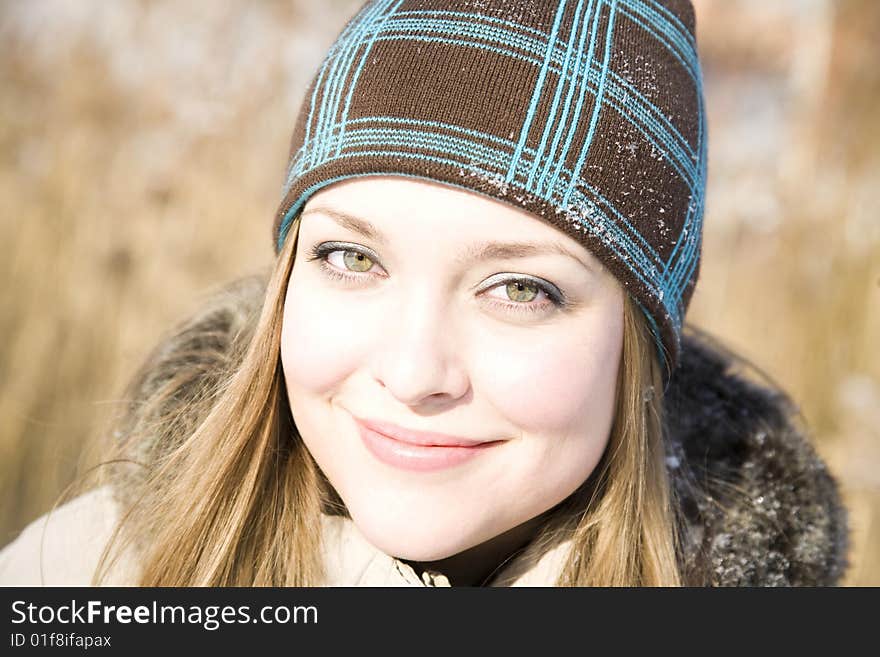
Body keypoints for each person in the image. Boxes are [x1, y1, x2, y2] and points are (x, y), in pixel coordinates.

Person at [0, 0, 848, 587]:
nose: (414, 374)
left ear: (640, 341)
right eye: (352, 258)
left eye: (520, 287)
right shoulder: (80, 576)